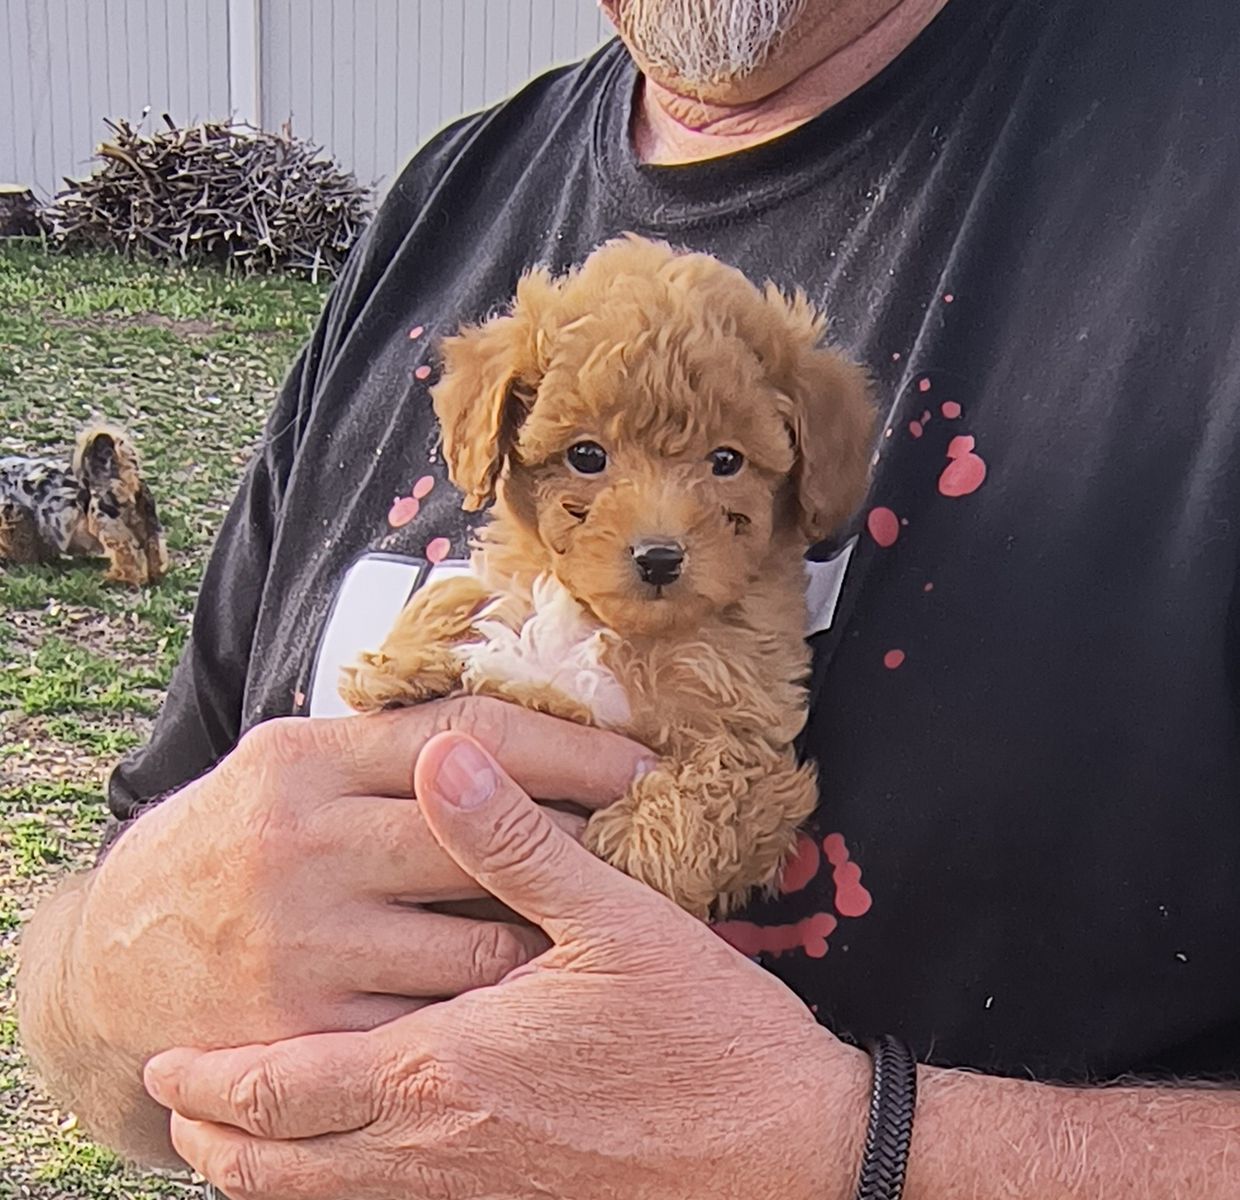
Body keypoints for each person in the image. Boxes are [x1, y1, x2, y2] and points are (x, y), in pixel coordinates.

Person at [17, 0, 1240, 1194]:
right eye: (586, 459)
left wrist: (846, 1150)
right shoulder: (447, 201)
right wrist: (114, 977)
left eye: (721, 464)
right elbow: (97, 968)